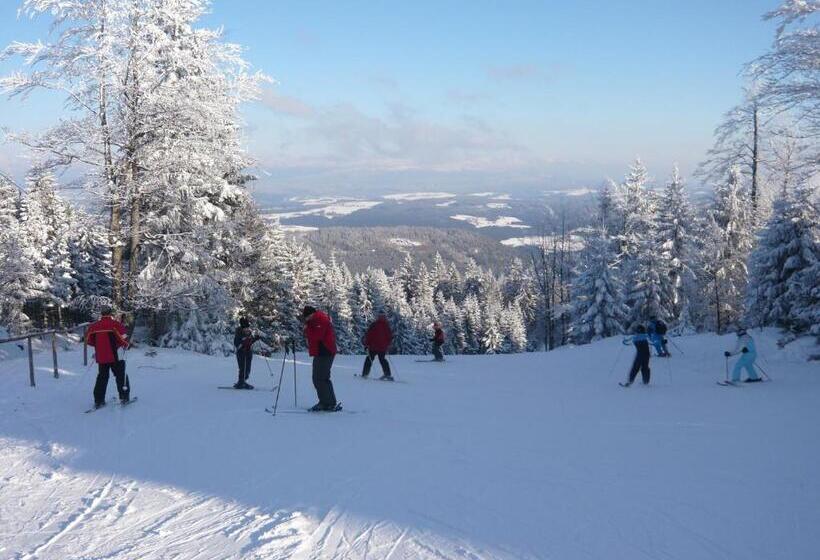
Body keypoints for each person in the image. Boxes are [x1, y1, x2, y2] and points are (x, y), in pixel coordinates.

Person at [86, 306, 130, 408]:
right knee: (121, 376)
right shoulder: (116, 325)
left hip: (101, 356)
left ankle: (99, 400)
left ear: (101, 313)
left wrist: (99, 346)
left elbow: (89, 340)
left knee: (102, 377)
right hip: (116, 356)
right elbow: (124, 339)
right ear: (111, 313)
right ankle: (124, 397)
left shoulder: (94, 326)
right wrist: (126, 345)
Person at [302, 305, 340, 411]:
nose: (306, 320)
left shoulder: (320, 319)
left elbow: (317, 336)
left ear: (311, 314)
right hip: (322, 352)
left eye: (307, 317)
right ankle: (329, 401)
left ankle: (326, 402)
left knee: (319, 378)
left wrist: (307, 329)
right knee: (322, 378)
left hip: (325, 352)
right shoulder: (316, 319)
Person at [362, 312, 393, 380]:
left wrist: (366, 344)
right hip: (382, 347)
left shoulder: (374, 324)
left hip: (373, 346)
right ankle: (387, 374)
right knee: (382, 360)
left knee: (369, 359)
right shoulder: (386, 326)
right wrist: (388, 345)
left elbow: (369, 335)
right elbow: (390, 337)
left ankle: (365, 374)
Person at [233, 317, 260, 389]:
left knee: (247, 369)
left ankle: (242, 381)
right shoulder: (239, 333)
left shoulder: (249, 333)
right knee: (243, 368)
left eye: (248, 328)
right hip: (241, 353)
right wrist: (244, 342)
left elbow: (249, 342)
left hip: (248, 352)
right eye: (245, 328)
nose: (247, 329)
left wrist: (255, 339)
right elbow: (237, 344)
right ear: (242, 328)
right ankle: (241, 383)